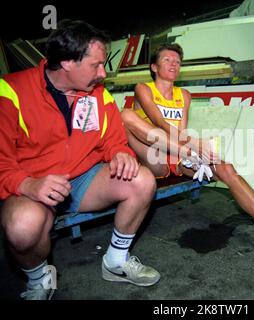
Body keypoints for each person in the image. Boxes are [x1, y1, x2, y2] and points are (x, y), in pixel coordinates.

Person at [0, 20, 160, 300]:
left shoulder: (98, 93)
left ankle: (116, 261)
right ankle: (40, 279)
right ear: (66, 63)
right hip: (32, 186)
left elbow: (112, 139)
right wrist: (28, 185)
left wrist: (119, 153)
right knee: (22, 226)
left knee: (142, 180)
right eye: (96, 65)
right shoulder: (10, 91)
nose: (104, 72)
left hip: (84, 179)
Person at [121, 43, 254, 234]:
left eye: (177, 61)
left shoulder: (184, 95)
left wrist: (191, 147)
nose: (174, 64)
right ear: (154, 67)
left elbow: (181, 131)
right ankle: (189, 154)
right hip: (151, 155)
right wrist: (193, 144)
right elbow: (158, 121)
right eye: (167, 60)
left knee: (226, 168)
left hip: (177, 155)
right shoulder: (143, 88)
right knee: (125, 115)